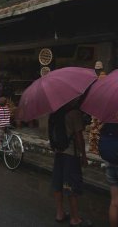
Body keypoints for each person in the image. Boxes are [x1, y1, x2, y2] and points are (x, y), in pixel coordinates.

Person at [49, 99, 92, 227]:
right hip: (70, 155)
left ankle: (60, 213)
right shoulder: (74, 113)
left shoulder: (54, 112)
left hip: (58, 153)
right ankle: (75, 218)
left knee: (58, 183)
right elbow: (79, 137)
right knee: (70, 184)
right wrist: (83, 155)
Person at [88, 60, 107, 154]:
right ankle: (97, 147)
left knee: (95, 126)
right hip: (102, 105)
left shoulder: (97, 79)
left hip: (96, 105)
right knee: (99, 127)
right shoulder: (106, 78)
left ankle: (94, 147)